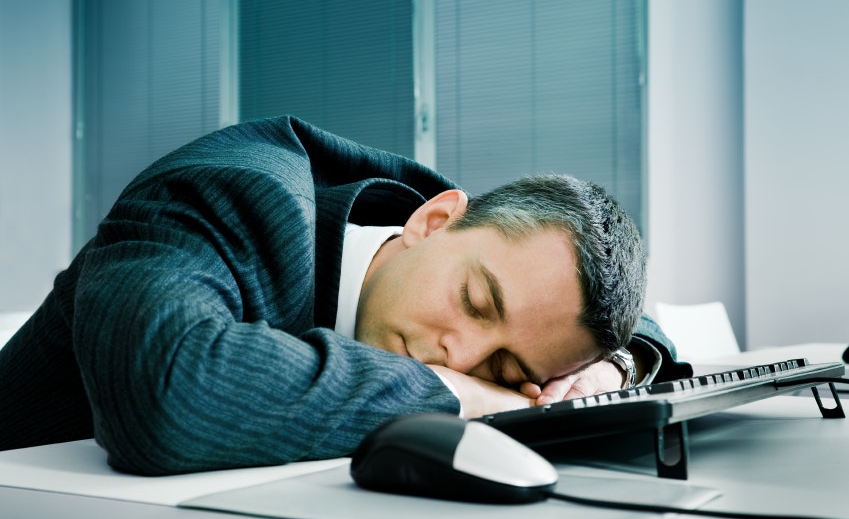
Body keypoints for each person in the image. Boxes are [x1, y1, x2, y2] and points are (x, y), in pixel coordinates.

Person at [0, 116, 691, 475]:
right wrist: (458, 393)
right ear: (432, 219)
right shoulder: (227, 193)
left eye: (508, 370)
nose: (462, 352)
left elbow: (639, 325)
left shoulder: (475, 246)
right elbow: (169, 394)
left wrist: (611, 368)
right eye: (477, 304)